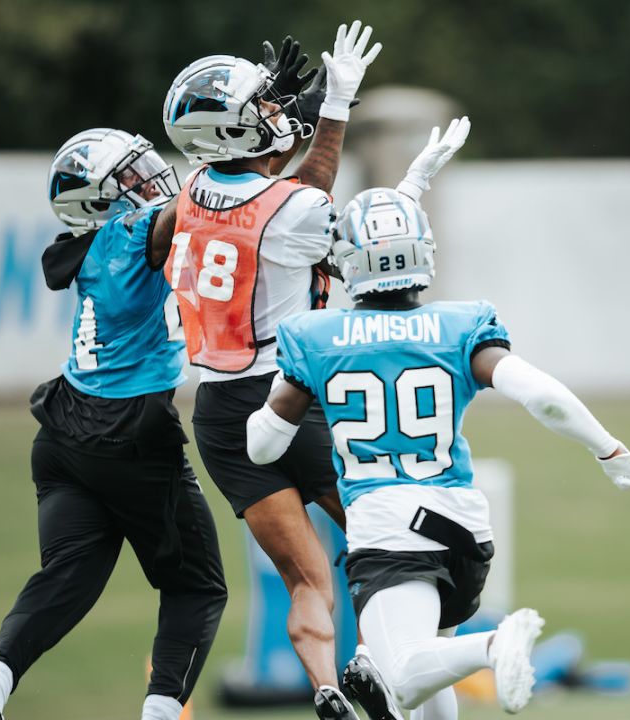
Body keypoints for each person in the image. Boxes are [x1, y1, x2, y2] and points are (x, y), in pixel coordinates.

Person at [150, 22, 468, 719]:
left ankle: (326, 685)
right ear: (232, 135)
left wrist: (302, 113)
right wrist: (342, 112)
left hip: (215, 411)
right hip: (290, 398)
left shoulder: (196, 188)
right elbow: (348, 227)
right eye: (259, 108)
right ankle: (386, 675)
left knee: (306, 577)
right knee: (387, 547)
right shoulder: (289, 209)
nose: (274, 113)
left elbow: (279, 182)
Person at [245, 185, 630, 719]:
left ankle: (494, 646)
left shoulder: (317, 336)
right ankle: (480, 649)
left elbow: (262, 446)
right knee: (432, 695)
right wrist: (608, 448)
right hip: (464, 530)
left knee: (398, 678)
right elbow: (541, 396)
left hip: (389, 527)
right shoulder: (460, 324)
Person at [0, 128, 227, 720]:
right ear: (98, 201)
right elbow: (197, 200)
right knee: (197, 586)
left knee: (67, 573)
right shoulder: (127, 237)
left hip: (63, 432)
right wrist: (241, 132)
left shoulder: (93, 242)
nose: (147, 182)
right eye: (127, 179)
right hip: (126, 432)